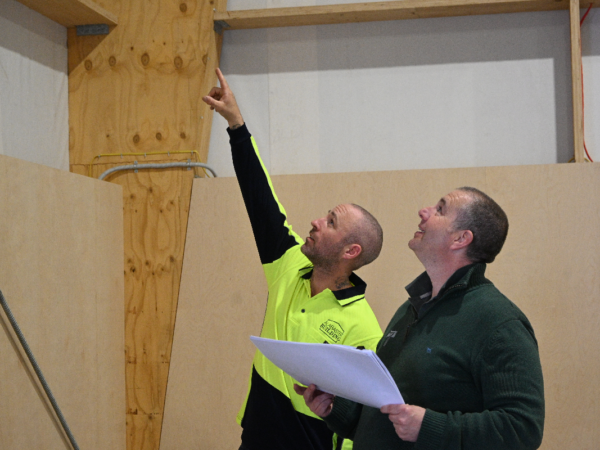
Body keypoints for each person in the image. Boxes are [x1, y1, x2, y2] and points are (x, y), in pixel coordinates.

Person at [202, 68, 384, 450]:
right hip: (254, 438)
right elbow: (260, 200)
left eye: (330, 222)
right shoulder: (288, 267)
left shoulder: (365, 330)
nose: (316, 222)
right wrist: (236, 124)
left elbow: (369, 422)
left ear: (351, 251)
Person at [296, 187, 545, 449]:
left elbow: (523, 429)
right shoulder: (411, 308)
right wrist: (337, 408)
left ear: (461, 238)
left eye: (440, 209)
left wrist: (430, 427)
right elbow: (385, 417)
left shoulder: (499, 322)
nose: (423, 212)